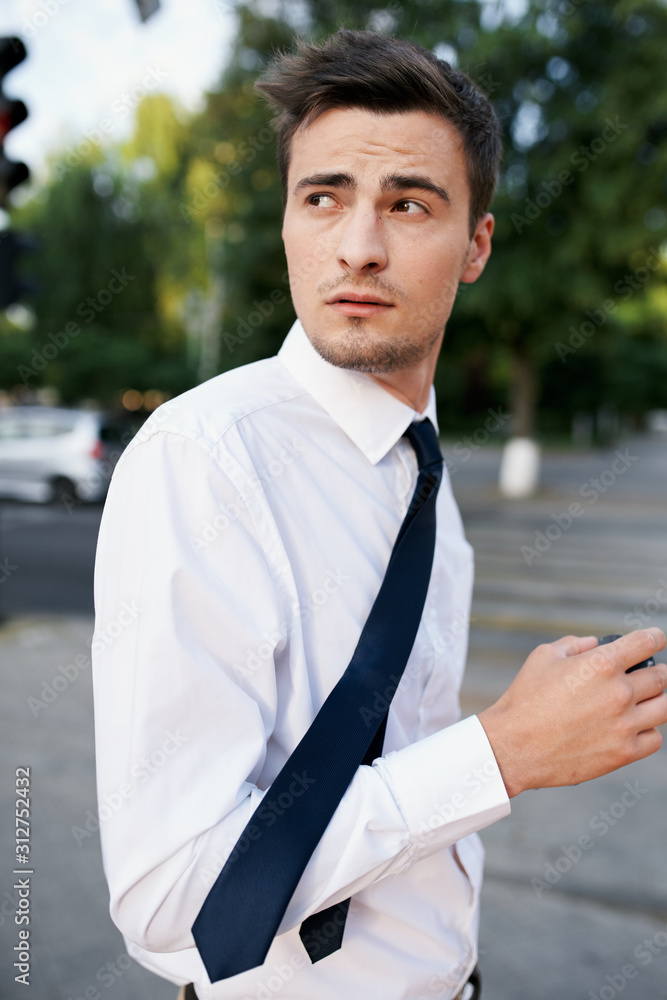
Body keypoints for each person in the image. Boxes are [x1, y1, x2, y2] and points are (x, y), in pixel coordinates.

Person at [91, 29, 667, 1000]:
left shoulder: (420, 465)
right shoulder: (202, 462)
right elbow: (173, 899)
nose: (358, 245)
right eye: (323, 197)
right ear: (285, 220)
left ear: (476, 244)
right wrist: (502, 751)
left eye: (408, 202)